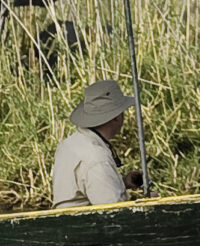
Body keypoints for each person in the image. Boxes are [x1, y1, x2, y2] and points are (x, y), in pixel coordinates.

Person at [52, 79, 139, 207]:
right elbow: (114, 213)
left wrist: (123, 182)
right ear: (116, 116)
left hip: (68, 223)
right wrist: (147, 203)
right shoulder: (97, 157)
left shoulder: (68, 144)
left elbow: (86, 186)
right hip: (86, 225)